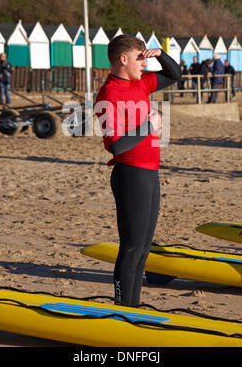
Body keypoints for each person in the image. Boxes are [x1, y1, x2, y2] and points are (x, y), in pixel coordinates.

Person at [95, 34, 181, 307]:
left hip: (149, 173)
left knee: (144, 248)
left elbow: (174, 74)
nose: (144, 63)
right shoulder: (108, 94)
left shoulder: (141, 83)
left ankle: (134, 308)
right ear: (123, 59)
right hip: (130, 174)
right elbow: (116, 146)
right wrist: (149, 126)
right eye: (139, 58)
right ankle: (124, 309)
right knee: (131, 249)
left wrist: (159, 55)